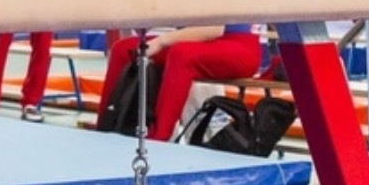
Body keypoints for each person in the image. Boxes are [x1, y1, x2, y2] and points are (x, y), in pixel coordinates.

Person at [96, 24, 266, 142]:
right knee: (123, 49)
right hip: (200, 40)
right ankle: (104, 126)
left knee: (181, 54)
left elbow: (214, 29)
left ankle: (160, 136)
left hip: (240, 46)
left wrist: (161, 42)